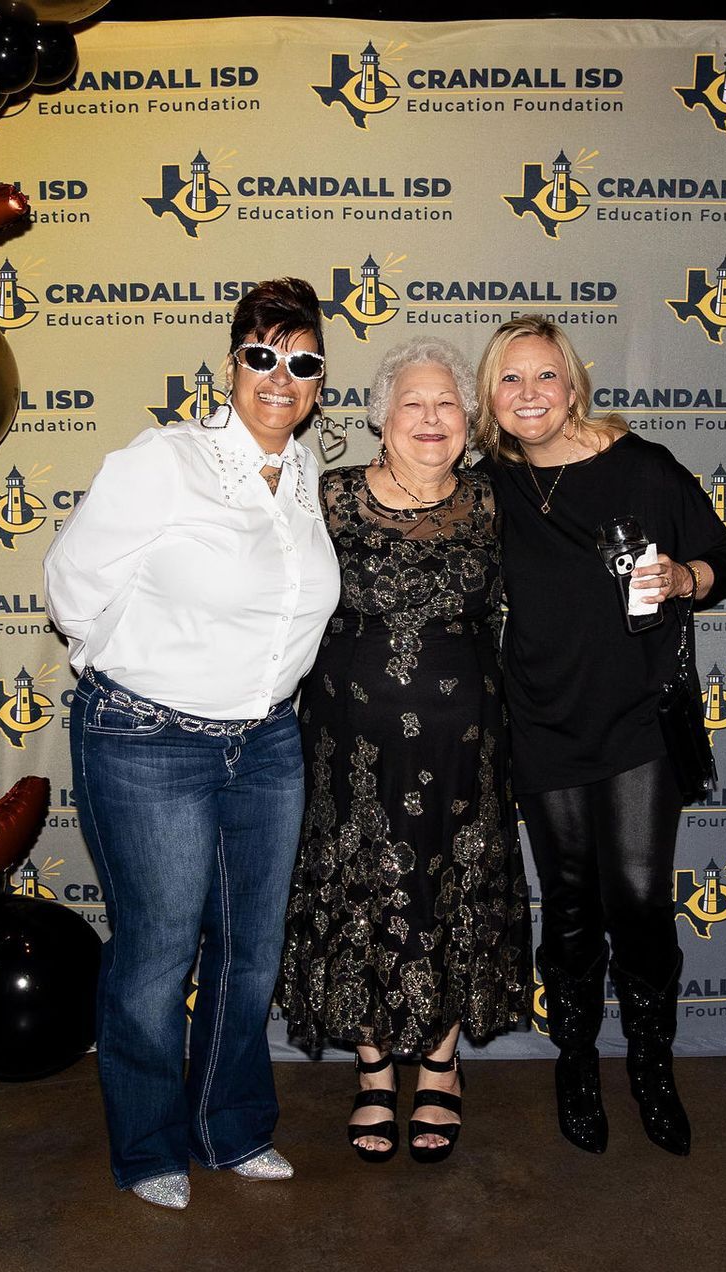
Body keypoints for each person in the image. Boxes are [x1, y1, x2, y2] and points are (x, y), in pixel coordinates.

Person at [43, 278, 341, 1211]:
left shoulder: (305, 475)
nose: (280, 377)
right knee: (159, 951)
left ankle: (232, 1127)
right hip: (149, 741)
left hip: (268, 744)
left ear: (319, 380)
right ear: (230, 365)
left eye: (302, 362)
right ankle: (147, 1147)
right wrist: (131, 670)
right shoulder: (164, 462)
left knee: (251, 953)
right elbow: (70, 585)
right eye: (262, 355)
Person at [473, 315, 726, 1157]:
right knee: (570, 904)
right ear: (489, 396)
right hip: (541, 720)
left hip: (633, 722)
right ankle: (577, 1064)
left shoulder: (642, 466)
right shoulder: (489, 486)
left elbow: (722, 560)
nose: (529, 394)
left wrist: (684, 577)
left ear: (573, 385)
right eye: (510, 379)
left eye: (544, 376)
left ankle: (653, 1067)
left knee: (639, 900)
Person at [278, 336, 529, 1165]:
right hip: (349, 749)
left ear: (470, 420)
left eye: (447, 403)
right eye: (412, 404)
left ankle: (442, 1065)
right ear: (381, 420)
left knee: (453, 890)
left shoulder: (495, 501)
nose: (430, 418)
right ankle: (375, 1068)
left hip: (466, 748)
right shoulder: (328, 498)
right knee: (360, 889)